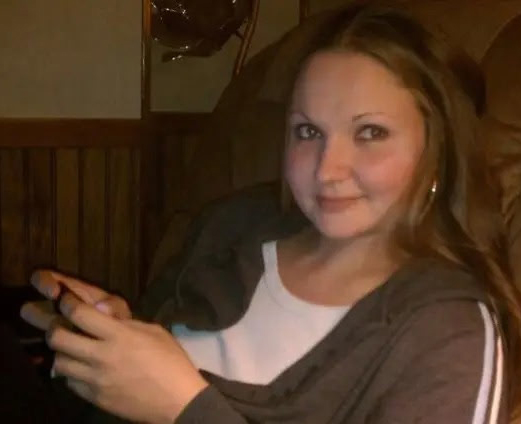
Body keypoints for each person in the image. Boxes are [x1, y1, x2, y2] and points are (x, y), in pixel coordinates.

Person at [20, 3, 521, 423]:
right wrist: (109, 345)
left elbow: (174, 405)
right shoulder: (230, 224)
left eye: (370, 132)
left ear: (437, 151)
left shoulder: (449, 330)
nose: (327, 169)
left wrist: (185, 409)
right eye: (308, 131)